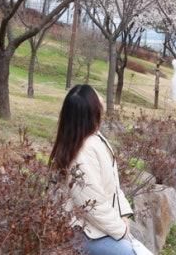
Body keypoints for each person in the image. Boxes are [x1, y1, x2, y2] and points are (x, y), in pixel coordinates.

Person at [50, 84, 136, 255]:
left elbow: (114, 188)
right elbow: (92, 207)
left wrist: (124, 217)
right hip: (83, 232)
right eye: (97, 96)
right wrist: (121, 230)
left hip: (98, 228)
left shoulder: (94, 139)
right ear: (90, 110)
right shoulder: (82, 152)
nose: (101, 98)